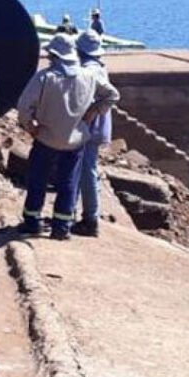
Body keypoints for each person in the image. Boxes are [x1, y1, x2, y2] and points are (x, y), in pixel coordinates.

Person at [16, 33, 119, 240]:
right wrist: (95, 111)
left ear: (55, 55)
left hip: (46, 138)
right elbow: (112, 95)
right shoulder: (89, 76)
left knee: (38, 180)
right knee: (68, 184)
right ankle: (61, 227)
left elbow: (23, 107)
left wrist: (30, 126)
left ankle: (32, 222)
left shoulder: (45, 77)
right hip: (75, 141)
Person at [72, 30, 112, 237]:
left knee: (86, 171)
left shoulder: (89, 70)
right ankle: (77, 213)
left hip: (90, 128)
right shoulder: (100, 68)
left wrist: (91, 112)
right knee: (86, 169)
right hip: (97, 127)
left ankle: (90, 219)